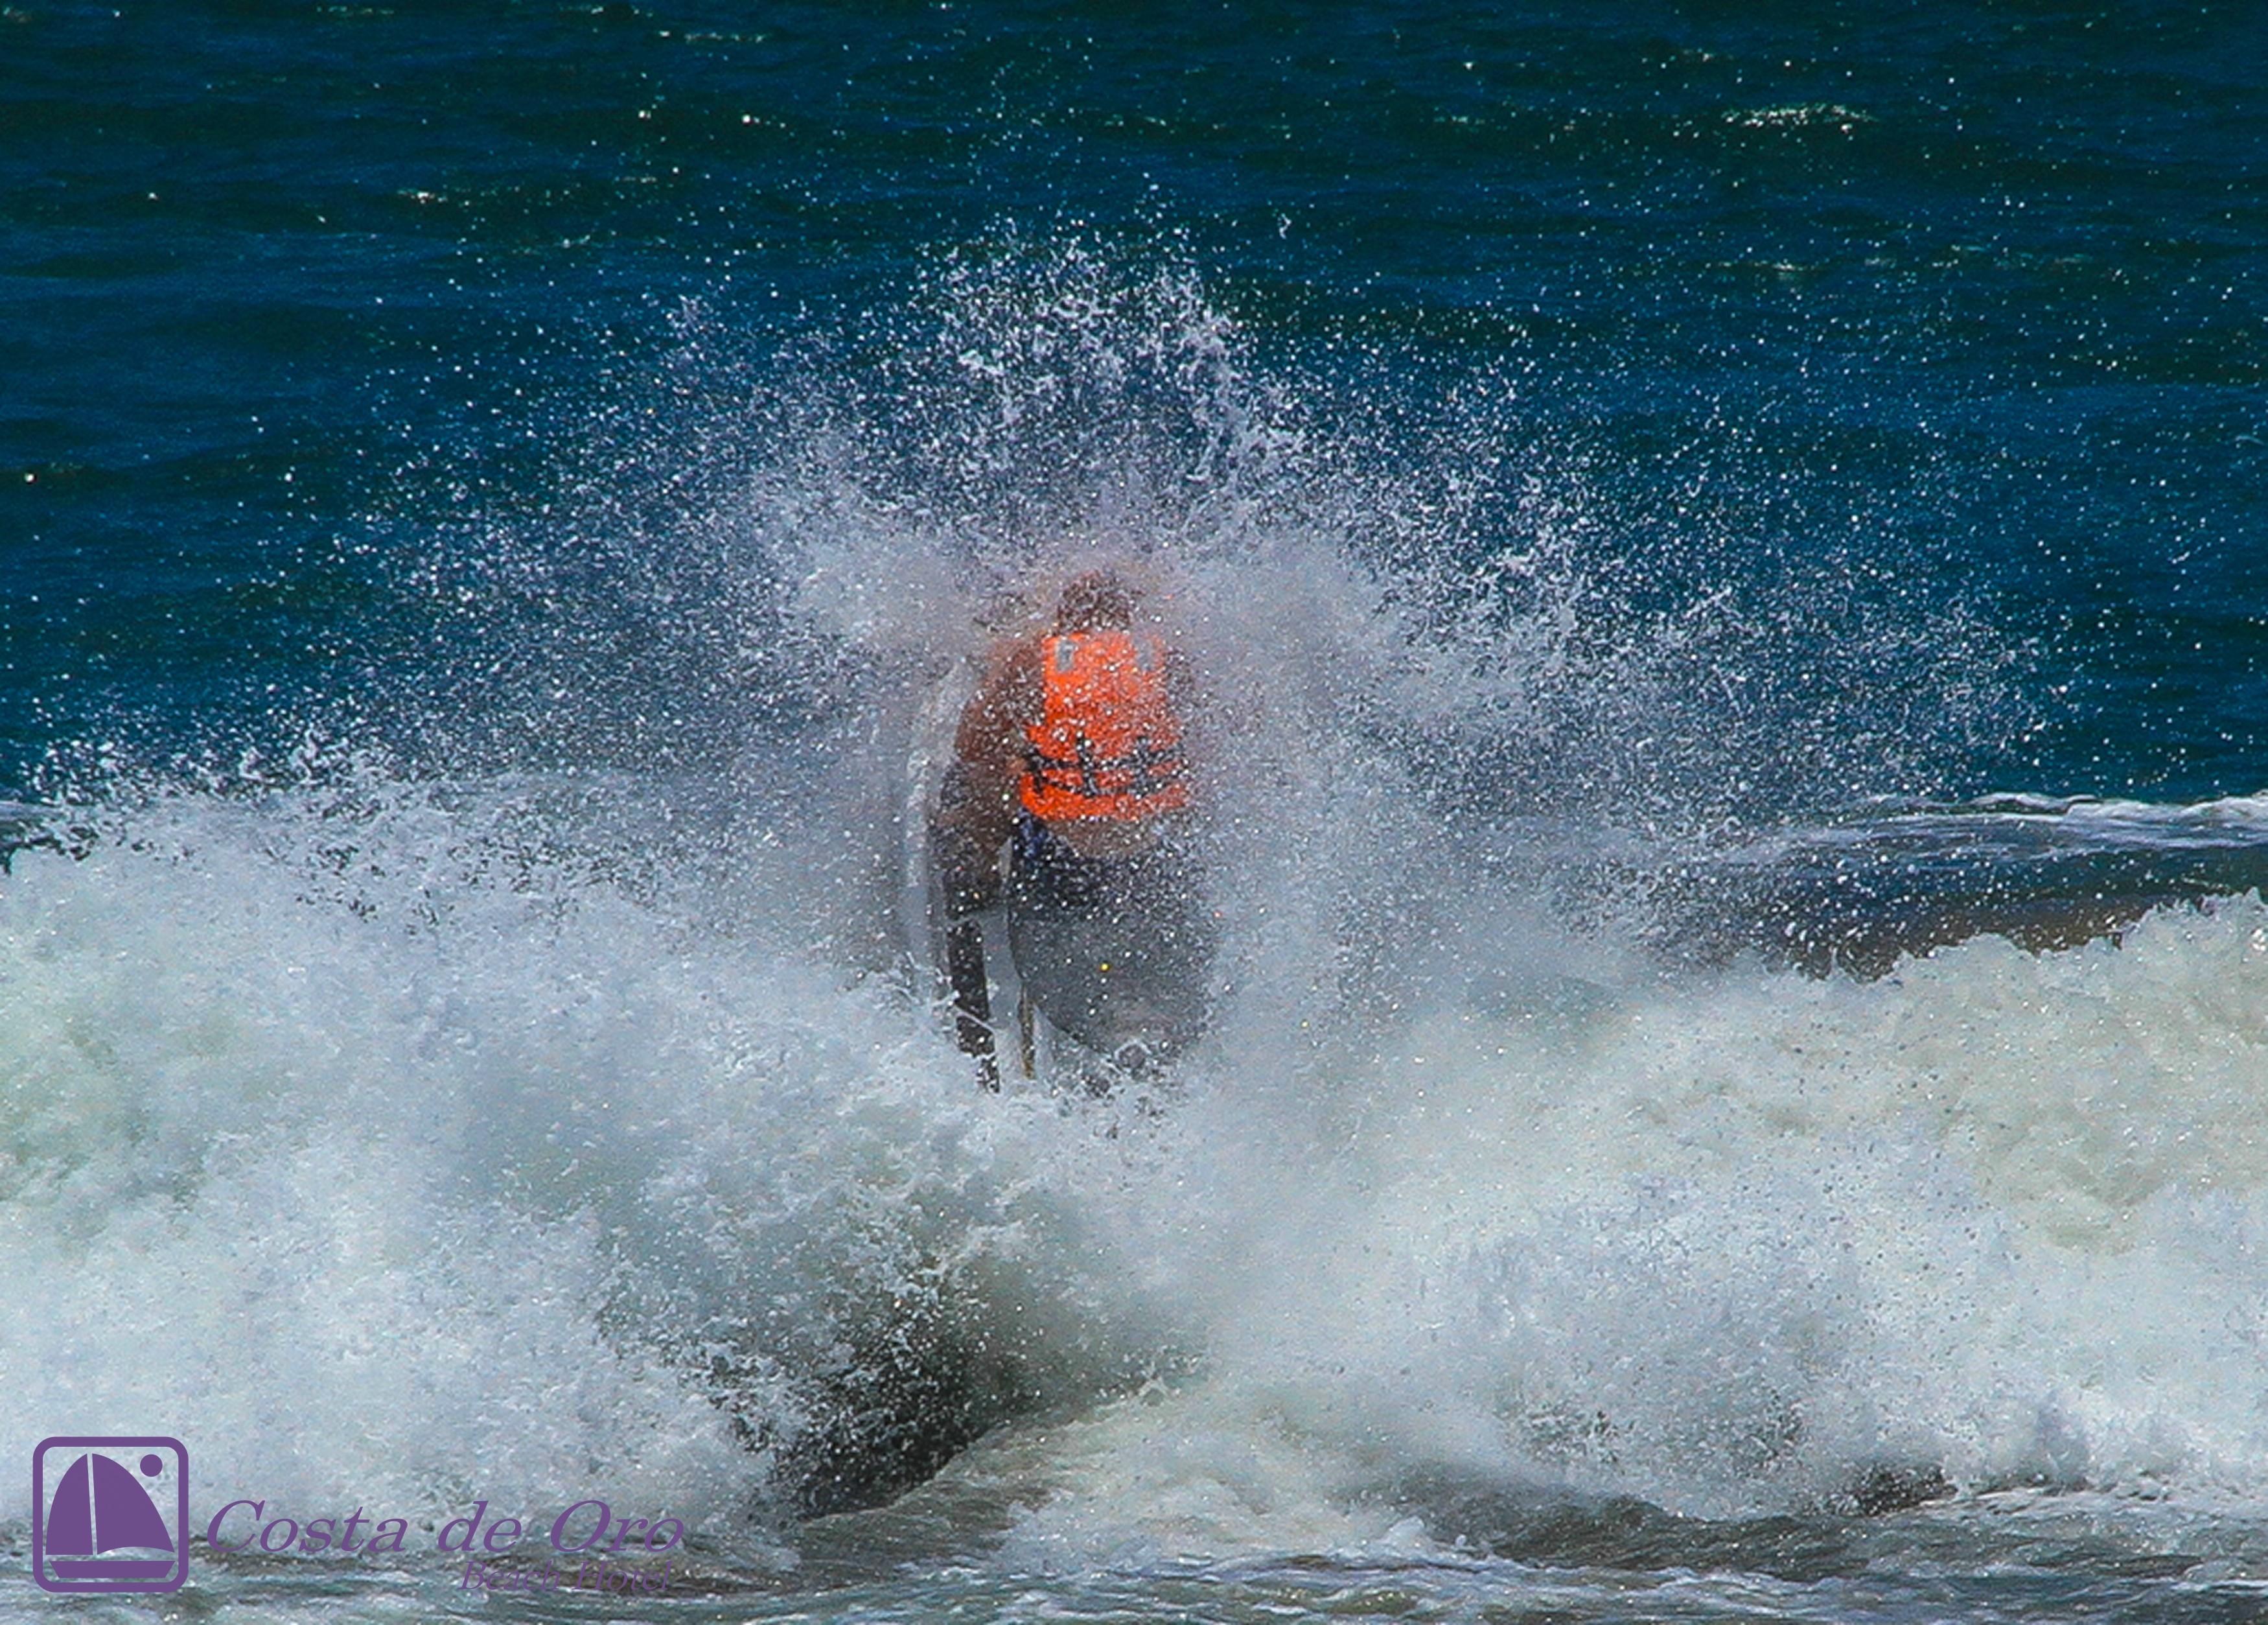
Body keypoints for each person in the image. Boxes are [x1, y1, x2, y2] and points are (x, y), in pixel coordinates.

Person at [929, 568, 1212, 1083]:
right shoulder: (1166, 658)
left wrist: (1022, 754)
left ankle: (976, 888)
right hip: (1153, 860)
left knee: (991, 783)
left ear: (1065, 617)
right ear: (1126, 617)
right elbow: (1199, 733)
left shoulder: (1033, 658)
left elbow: (973, 745)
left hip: (1064, 864)